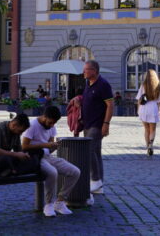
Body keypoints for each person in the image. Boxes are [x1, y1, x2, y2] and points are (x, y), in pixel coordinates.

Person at [22, 105, 80, 217]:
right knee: (52, 172)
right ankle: (49, 204)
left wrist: (54, 146)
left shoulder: (51, 127)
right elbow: (24, 146)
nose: (52, 125)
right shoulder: (32, 125)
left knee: (75, 172)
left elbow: (49, 147)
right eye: (50, 122)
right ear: (44, 117)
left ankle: (60, 201)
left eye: (54, 123)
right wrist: (45, 145)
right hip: (36, 157)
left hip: (47, 156)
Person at [81, 60, 113, 195]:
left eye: (87, 69)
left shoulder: (103, 84)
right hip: (87, 123)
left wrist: (106, 124)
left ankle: (95, 179)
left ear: (94, 70)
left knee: (88, 151)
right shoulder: (88, 83)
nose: (84, 72)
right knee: (96, 153)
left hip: (97, 124)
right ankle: (99, 185)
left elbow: (110, 105)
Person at [136, 69, 160, 157]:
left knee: (146, 129)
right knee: (153, 129)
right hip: (153, 108)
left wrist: (138, 109)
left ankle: (147, 146)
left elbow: (139, 99)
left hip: (144, 108)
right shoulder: (158, 86)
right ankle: (151, 144)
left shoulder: (143, 85)